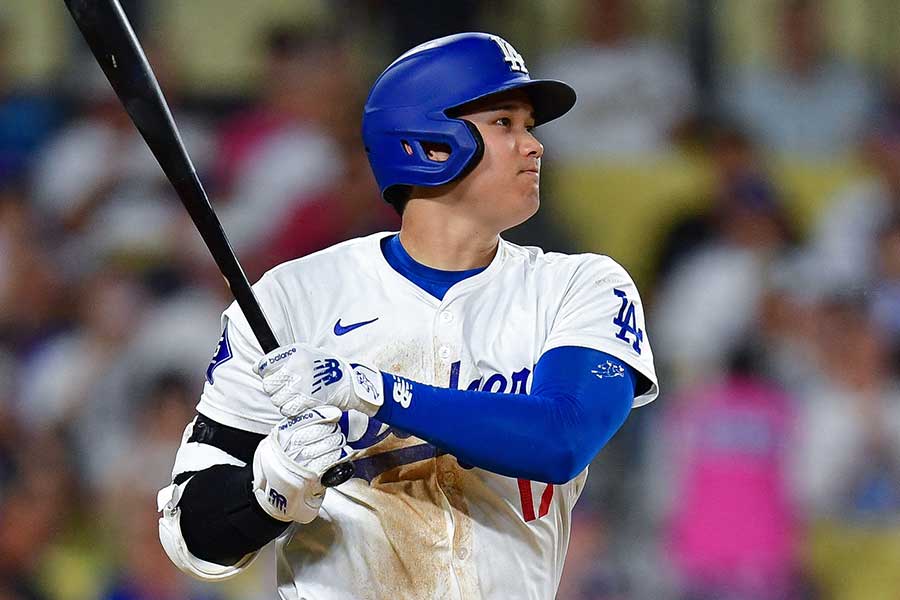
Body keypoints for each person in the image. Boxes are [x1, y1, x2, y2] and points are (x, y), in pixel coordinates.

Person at [157, 33, 658, 599]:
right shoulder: (292, 298)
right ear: (431, 144)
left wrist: (369, 390)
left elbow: (561, 438)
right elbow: (190, 537)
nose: (534, 145)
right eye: (505, 123)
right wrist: (270, 490)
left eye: (530, 126)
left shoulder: (578, 286)